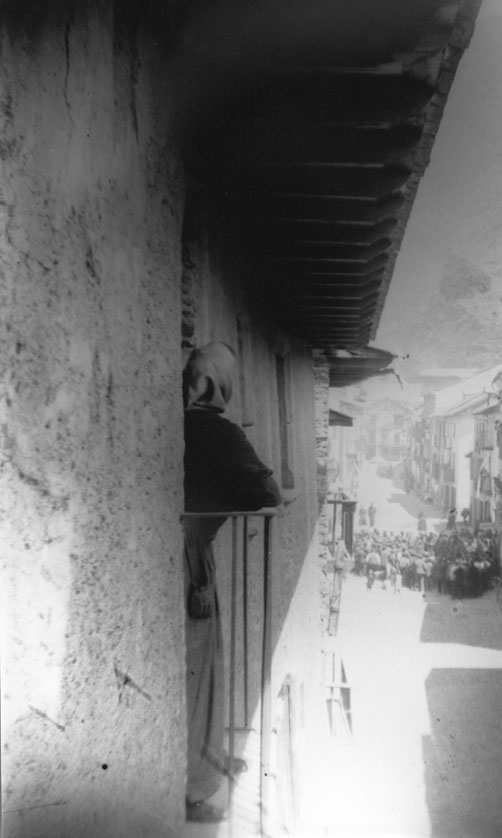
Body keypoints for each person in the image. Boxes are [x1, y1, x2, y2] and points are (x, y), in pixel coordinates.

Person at [183, 342, 281, 824]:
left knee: (203, 666)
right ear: (214, 385)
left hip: (185, 550)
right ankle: (196, 789)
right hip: (190, 555)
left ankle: (206, 761)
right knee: (201, 671)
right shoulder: (216, 432)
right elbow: (266, 491)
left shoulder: (182, 425)